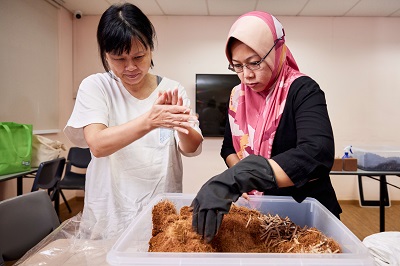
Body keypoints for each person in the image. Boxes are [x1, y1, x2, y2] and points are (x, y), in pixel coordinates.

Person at [191, 11, 341, 243]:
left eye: (255, 62)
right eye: (237, 66)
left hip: (306, 220)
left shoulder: (302, 90)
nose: (247, 76)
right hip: (260, 216)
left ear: (276, 51)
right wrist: (239, 178)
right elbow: (229, 148)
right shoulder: (237, 95)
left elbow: (317, 152)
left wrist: (242, 176)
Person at [64, 3, 203, 239]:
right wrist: (151, 120)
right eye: (119, 58)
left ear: (151, 48)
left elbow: (191, 148)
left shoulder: (172, 88)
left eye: (139, 56)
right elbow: (97, 144)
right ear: (106, 55)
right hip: (109, 215)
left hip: (160, 210)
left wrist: (182, 126)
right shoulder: (97, 86)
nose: (130, 67)